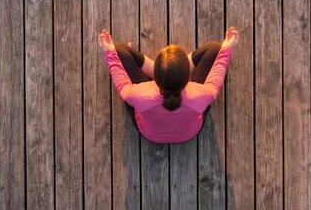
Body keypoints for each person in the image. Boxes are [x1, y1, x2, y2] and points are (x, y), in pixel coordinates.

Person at [97, 26, 238, 144]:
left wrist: (109, 52)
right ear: (187, 77)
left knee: (119, 50)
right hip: (189, 133)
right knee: (215, 49)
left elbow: (122, 85)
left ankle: (163, 72)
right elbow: (215, 79)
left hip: (150, 134)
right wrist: (227, 48)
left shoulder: (138, 94)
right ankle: (171, 72)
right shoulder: (202, 94)